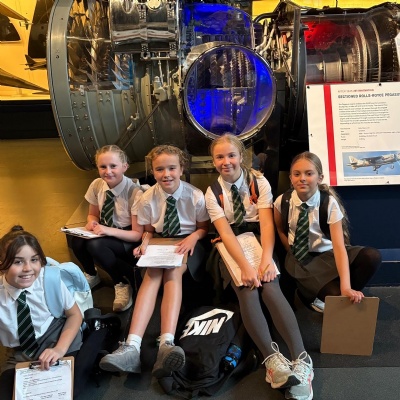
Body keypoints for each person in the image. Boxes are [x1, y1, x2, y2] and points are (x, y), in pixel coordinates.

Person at [205, 134, 313, 400]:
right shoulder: (212, 192)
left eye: (231, 155)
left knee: (271, 286)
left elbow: (266, 223)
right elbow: (225, 233)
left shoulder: (259, 181)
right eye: (220, 157)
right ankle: (272, 360)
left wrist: (266, 259)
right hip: (231, 244)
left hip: (259, 240)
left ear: (241, 156)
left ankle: (302, 359)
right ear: (213, 161)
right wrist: (245, 267)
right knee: (248, 289)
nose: (226, 162)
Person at [99, 145, 210, 378]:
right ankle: (132, 346)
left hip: (188, 241)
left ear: (181, 169)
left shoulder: (195, 196)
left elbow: (203, 228)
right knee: (151, 275)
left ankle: (166, 343)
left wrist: (192, 238)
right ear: (153, 171)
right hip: (161, 241)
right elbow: (149, 230)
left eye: (172, 168)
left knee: (173, 272)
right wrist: (144, 243)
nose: (166, 174)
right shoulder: (147, 198)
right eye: (160, 169)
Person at [0, 226, 118, 399]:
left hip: (57, 334)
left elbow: (74, 315)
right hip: (21, 352)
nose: (28, 268)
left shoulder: (49, 280)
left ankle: (99, 329)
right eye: (17, 262)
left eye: (34, 259)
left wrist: (59, 349)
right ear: (2, 264)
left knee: (69, 389)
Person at [274, 151, 381, 311]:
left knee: (372, 256)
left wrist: (346, 287)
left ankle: (346, 292)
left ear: (320, 178)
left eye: (309, 173)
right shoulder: (282, 201)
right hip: (302, 258)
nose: (302, 178)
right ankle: (311, 294)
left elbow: (339, 247)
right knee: (334, 296)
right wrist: (290, 252)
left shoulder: (329, 203)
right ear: (290, 178)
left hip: (327, 253)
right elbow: (280, 229)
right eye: (297, 174)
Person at [70, 145, 144, 312]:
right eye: (103, 167)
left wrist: (107, 231)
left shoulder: (134, 193)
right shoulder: (97, 185)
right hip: (105, 230)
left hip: (126, 236)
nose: (108, 171)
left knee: (95, 245)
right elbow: (93, 214)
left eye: (113, 166)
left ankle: (121, 282)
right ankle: (91, 274)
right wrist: (92, 223)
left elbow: (136, 234)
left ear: (124, 167)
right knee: (77, 241)